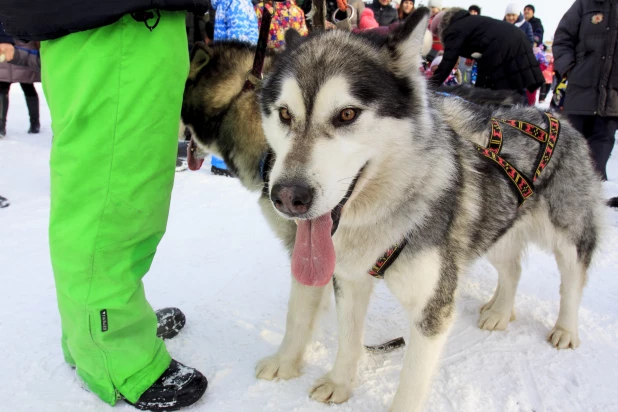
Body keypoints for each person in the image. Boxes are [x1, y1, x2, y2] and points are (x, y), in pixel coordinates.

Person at [0, 1, 211, 411]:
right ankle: (111, 349)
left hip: (138, 24)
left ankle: (102, 325)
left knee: (133, 190)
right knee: (111, 196)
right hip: (113, 28)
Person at [553, 0, 618, 181]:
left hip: (612, 101)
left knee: (596, 169)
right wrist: (569, 69)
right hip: (579, 94)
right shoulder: (585, 4)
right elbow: (562, 38)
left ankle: (591, 204)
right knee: (567, 157)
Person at [429, 8, 544, 99]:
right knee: (513, 84)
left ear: (441, 28)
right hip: (517, 38)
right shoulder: (469, 21)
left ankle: (499, 116)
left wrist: (430, 86)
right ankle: (521, 114)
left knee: (485, 91)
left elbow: (448, 61)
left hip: (500, 44)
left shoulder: (453, 29)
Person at [0, 22, 39, 137]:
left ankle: (1, 127)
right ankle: (34, 124)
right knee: (5, 88)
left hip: (19, 53)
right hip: (15, 51)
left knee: (25, 87)